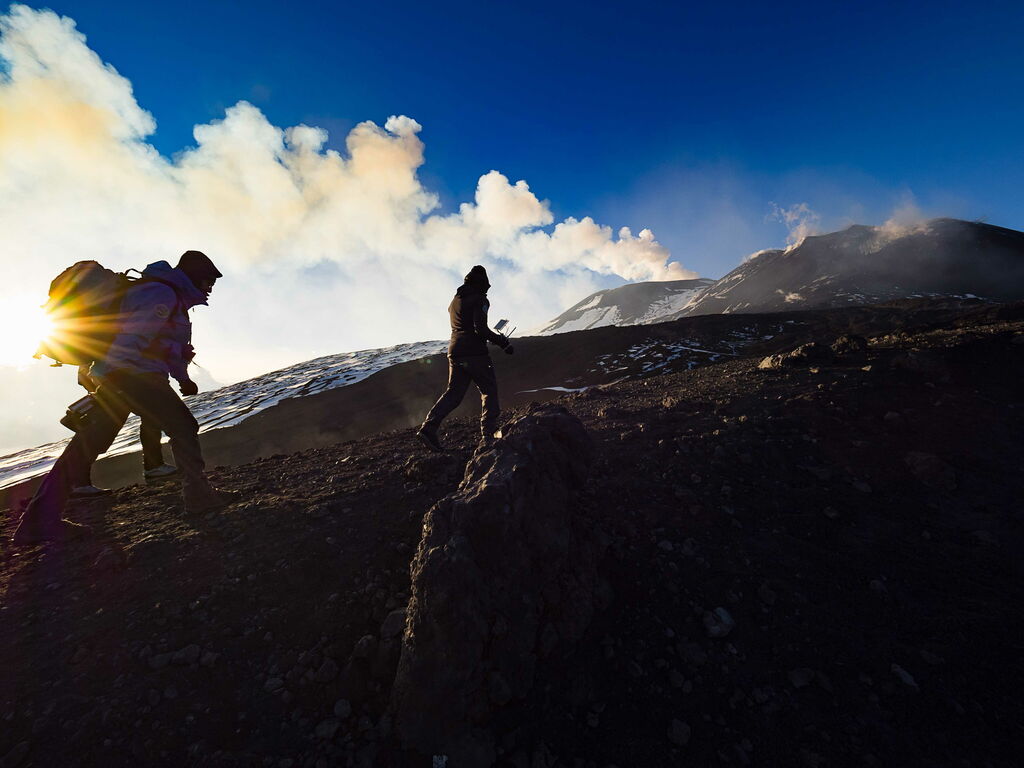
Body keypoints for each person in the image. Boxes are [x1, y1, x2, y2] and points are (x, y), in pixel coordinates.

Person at [13, 251, 235, 545]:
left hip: (120, 375)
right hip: (134, 376)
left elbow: (168, 348)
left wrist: (182, 379)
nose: (210, 287)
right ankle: (198, 496)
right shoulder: (162, 295)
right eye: (209, 280)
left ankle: (37, 522)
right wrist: (124, 377)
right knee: (183, 427)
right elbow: (132, 339)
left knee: (86, 445)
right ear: (195, 275)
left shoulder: (168, 296)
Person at [417, 265, 513, 451]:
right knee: (489, 391)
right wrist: (503, 342)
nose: (488, 288)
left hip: (455, 351)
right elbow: (480, 328)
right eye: (486, 285)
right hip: (475, 353)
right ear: (482, 283)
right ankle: (489, 436)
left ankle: (429, 428)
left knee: (453, 394)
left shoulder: (454, 301)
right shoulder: (480, 299)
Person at [67, 366, 179, 499]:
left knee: (150, 418)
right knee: (102, 432)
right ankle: (78, 483)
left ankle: (154, 465)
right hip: (112, 383)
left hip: (116, 381)